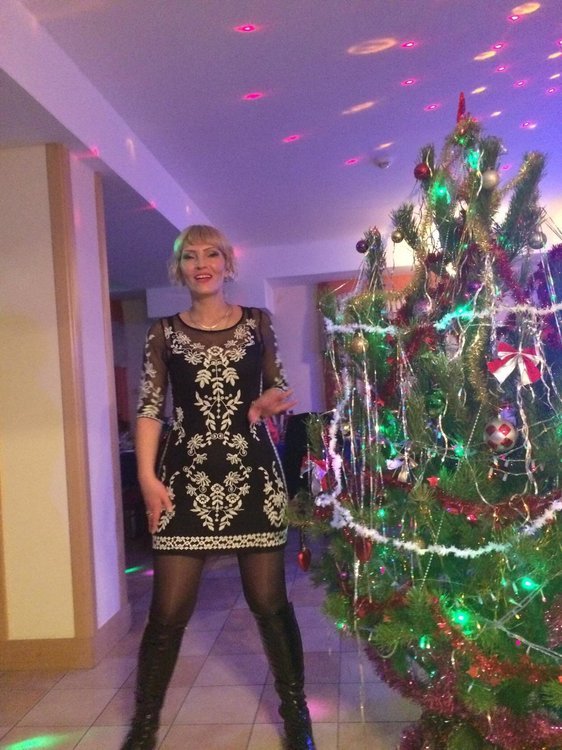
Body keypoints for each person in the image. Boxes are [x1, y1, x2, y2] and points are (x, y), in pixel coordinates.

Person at [121, 225, 316, 750]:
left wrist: (264, 405)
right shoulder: (163, 333)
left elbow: (278, 386)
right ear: (179, 268)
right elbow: (149, 408)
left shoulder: (257, 322)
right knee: (167, 613)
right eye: (190, 256)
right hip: (183, 480)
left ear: (228, 264)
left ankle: (296, 714)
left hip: (254, 476)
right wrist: (146, 478)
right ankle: (144, 725)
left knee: (269, 603)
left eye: (211, 254)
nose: (201, 264)